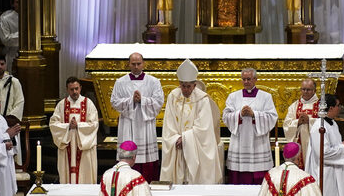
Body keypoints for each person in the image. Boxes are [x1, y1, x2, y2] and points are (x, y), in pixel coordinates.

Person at [160, 59, 221, 184]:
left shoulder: (202, 99)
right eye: (183, 86)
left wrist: (186, 138)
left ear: (194, 85)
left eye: (189, 86)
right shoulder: (173, 96)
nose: (186, 90)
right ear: (179, 84)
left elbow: (204, 126)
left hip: (196, 148)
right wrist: (175, 138)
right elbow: (168, 121)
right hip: (176, 145)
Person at [111, 53, 165, 181]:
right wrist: (131, 101)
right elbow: (114, 102)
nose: (136, 66)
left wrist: (142, 100)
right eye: (133, 64)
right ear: (128, 64)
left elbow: (159, 102)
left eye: (138, 63)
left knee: (147, 159)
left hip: (145, 124)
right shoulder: (120, 82)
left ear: (143, 63)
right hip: (128, 124)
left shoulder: (153, 81)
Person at [222, 68, 279, 184]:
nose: (246, 82)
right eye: (244, 79)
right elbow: (226, 116)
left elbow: (273, 116)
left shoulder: (266, 97)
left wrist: (254, 115)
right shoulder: (233, 96)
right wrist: (239, 115)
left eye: (249, 79)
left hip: (258, 143)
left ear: (255, 79)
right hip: (239, 143)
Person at [49, 77, 100, 184]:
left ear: (80, 88)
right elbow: (53, 124)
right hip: (67, 144)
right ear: (67, 89)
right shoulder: (61, 105)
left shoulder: (88, 103)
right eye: (71, 89)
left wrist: (79, 126)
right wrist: (68, 126)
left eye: (76, 89)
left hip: (83, 145)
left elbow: (94, 123)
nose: (74, 92)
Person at [0, 0, 20, 67]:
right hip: (12, 55)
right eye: (17, 2)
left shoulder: (32, 16)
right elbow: (5, 39)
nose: (20, 4)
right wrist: (23, 34)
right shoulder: (5, 18)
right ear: (13, 4)